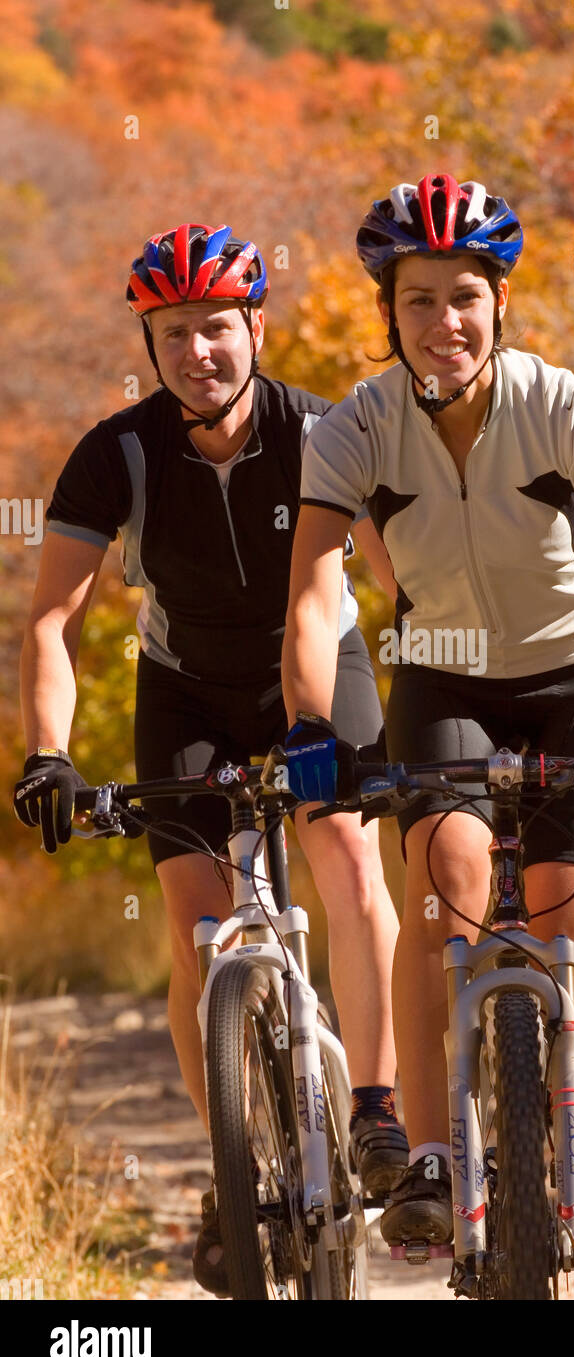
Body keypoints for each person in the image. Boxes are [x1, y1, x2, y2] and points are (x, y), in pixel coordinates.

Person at [279, 174, 574, 1256]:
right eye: (419, 300)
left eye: (464, 297)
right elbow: (310, 592)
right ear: (387, 311)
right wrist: (308, 730)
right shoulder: (353, 429)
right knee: (443, 893)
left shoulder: (568, 406)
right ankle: (429, 1156)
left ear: (500, 302)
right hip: (444, 679)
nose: (444, 324)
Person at [14, 223, 408, 1294]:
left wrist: (431, 694)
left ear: (256, 329)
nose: (198, 350)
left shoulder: (324, 431)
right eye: (174, 330)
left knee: (351, 866)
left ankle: (374, 1112)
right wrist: (48, 753)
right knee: (197, 936)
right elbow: (55, 619)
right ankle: (233, 1164)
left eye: (217, 328)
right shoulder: (118, 453)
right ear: (150, 340)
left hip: (315, 676)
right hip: (182, 688)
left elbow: (397, 584)